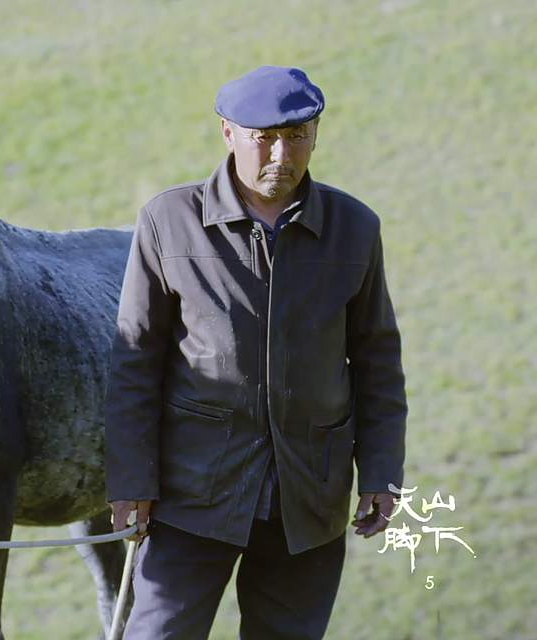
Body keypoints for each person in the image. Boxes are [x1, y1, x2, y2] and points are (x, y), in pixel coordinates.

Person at [105, 65, 408, 640]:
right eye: (262, 137)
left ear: (316, 134)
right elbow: (134, 364)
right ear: (228, 133)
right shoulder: (169, 223)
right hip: (191, 497)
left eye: (296, 135)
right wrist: (130, 481)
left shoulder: (355, 229)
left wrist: (383, 471)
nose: (279, 153)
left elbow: (378, 364)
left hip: (308, 501)